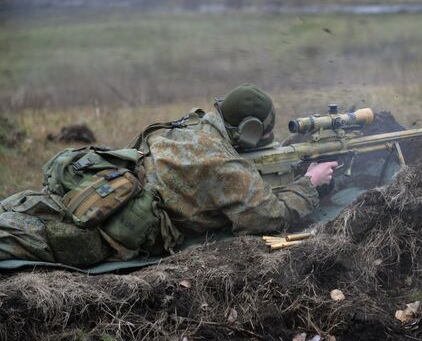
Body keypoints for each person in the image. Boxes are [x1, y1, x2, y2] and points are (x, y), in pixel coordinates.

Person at [0, 84, 337, 267]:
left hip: (100, 184)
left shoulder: (197, 123)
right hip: (107, 224)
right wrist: (309, 184)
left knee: (24, 208)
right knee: (21, 238)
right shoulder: (222, 164)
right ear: (249, 132)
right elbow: (269, 216)